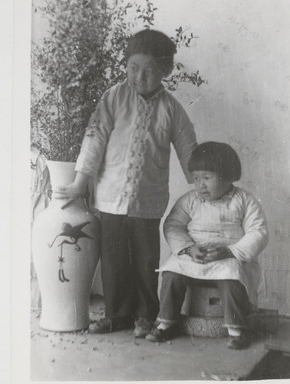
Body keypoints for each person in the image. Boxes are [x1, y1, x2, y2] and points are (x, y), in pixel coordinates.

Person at [54, 29, 197, 337]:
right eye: (133, 68)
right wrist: (81, 182)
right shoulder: (114, 97)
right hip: (110, 195)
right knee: (114, 260)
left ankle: (146, 315)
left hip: (148, 198)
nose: (139, 76)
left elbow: (188, 146)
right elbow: (94, 138)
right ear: (126, 65)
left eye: (149, 70)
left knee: (147, 260)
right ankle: (117, 314)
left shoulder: (172, 109)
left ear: (165, 70)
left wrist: (198, 183)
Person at [146, 142, 268, 349]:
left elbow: (259, 231)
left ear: (227, 176)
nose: (200, 185)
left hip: (229, 256)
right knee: (171, 273)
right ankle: (166, 322)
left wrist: (230, 251)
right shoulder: (190, 200)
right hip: (195, 254)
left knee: (233, 278)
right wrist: (188, 248)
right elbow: (173, 225)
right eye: (196, 178)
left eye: (207, 178)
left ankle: (237, 330)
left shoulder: (243, 200)